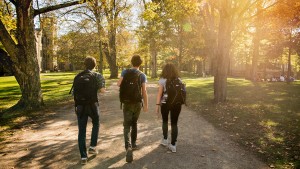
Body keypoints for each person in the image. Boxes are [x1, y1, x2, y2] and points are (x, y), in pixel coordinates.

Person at [72, 56, 105, 165]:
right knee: (96, 123)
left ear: (84, 65)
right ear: (94, 65)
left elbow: (74, 93)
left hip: (80, 106)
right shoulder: (97, 76)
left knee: (82, 130)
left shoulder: (78, 76)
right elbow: (102, 91)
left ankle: (83, 157)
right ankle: (92, 146)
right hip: (92, 105)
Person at [117, 55, 148, 163]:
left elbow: (118, 84)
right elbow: (144, 91)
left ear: (131, 62)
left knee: (126, 125)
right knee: (134, 123)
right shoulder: (142, 75)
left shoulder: (125, 72)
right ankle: (134, 144)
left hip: (126, 102)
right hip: (137, 103)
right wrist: (146, 105)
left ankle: (128, 147)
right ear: (140, 64)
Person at [155, 63, 183, 153]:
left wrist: (157, 106)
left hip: (165, 103)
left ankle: (165, 139)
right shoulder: (179, 80)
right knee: (174, 123)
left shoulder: (162, 80)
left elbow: (159, 94)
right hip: (177, 104)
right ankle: (173, 145)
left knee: (165, 121)